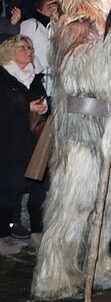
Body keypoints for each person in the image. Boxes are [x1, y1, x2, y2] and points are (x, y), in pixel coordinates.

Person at [0, 36, 47, 255]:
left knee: (39, 187)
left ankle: (38, 231)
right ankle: (3, 235)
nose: (29, 50)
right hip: (10, 142)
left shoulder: (34, 78)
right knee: (8, 190)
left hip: (34, 142)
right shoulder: (2, 76)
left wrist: (44, 107)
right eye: (23, 47)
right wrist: (26, 107)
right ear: (10, 51)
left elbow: (43, 102)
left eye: (30, 47)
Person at [19, 0, 56, 80]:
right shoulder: (30, 24)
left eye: (54, 8)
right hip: (35, 75)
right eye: (49, 7)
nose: (53, 10)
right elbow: (24, 49)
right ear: (39, 9)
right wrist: (38, 73)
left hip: (51, 77)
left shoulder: (53, 29)